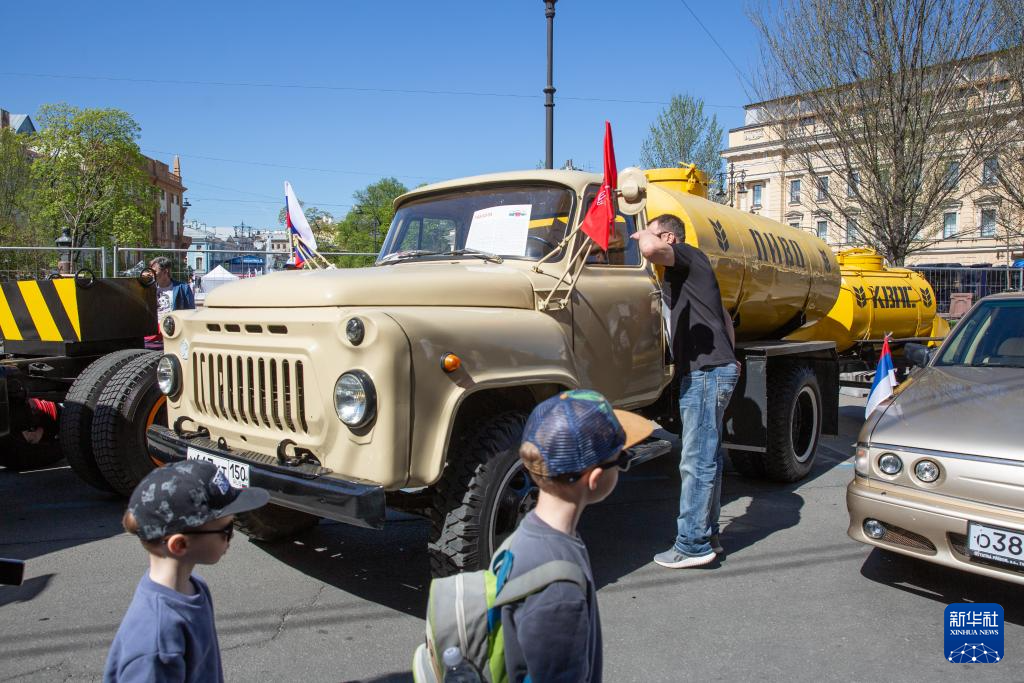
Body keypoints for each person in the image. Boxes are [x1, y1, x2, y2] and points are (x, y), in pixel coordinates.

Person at [501, 389, 653, 683]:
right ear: (594, 479)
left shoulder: (528, 536)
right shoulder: (558, 590)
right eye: (621, 458)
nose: (623, 463)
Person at [631, 214, 739, 569]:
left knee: (696, 461)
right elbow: (724, 318)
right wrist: (729, 357)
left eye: (659, 235)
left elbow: (648, 247)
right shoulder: (690, 275)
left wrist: (639, 224)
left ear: (669, 239)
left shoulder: (689, 255)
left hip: (706, 373)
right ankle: (708, 535)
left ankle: (692, 545)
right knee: (708, 459)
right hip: (713, 369)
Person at [104, 461, 269, 682]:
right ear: (179, 545)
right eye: (226, 529)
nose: (232, 537)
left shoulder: (194, 587)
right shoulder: (157, 643)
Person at [145, 256, 196, 350]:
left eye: (155, 271)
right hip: (152, 335)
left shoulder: (183, 288)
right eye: (151, 271)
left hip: (173, 332)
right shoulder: (148, 289)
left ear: (166, 271)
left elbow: (191, 313)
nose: (152, 274)